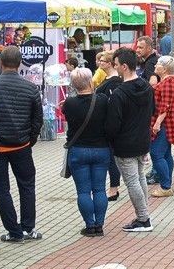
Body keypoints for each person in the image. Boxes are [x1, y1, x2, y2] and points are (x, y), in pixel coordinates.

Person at [0, 46, 43, 243]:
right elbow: (37, 119)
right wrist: (30, 139)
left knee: (1, 189)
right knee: (27, 186)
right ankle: (28, 228)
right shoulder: (31, 88)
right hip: (22, 146)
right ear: (20, 63)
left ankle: (13, 231)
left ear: (0, 62)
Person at [106, 48, 156, 232]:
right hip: (143, 140)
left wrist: (109, 138)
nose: (115, 68)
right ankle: (144, 214)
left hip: (125, 144)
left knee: (132, 181)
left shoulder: (119, 93)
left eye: (116, 65)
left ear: (124, 66)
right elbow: (152, 111)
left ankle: (143, 218)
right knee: (140, 177)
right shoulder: (146, 87)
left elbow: (113, 124)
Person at [62, 67, 111, 237]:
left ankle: (90, 226)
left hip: (78, 150)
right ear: (90, 81)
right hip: (101, 149)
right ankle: (100, 225)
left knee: (83, 191)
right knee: (99, 189)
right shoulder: (102, 100)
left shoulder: (69, 103)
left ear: (74, 85)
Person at [149, 55, 174, 197]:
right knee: (166, 153)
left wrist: (157, 123)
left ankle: (165, 186)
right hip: (168, 122)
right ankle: (167, 183)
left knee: (156, 153)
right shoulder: (170, 81)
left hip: (164, 123)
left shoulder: (167, 83)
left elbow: (165, 106)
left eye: (158, 64)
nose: (155, 65)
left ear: (165, 68)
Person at [94, 51, 123, 200]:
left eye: (103, 61)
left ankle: (114, 188)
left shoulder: (115, 81)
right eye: (99, 60)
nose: (100, 63)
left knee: (112, 158)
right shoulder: (107, 79)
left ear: (110, 64)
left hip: (110, 124)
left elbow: (113, 104)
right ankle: (113, 187)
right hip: (104, 123)